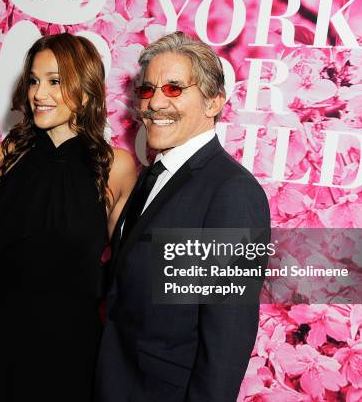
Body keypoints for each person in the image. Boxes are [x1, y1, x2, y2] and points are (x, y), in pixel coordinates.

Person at [0, 33, 136, 401]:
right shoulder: (6, 156)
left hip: (71, 353)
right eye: (35, 81)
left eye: (55, 81)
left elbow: (126, 277)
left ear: (85, 89)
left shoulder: (114, 167)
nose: (39, 94)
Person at [95, 31, 271, 402]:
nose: (155, 103)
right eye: (148, 89)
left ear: (213, 101)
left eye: (174, 89)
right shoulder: (154, 176)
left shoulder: (231, 193)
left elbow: (227, 337)